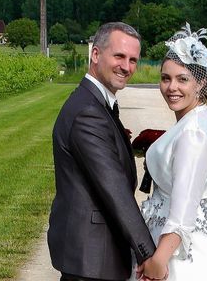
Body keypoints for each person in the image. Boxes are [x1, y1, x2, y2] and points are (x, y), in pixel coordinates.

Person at [133, 24, 207, 281]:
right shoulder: (203, 120)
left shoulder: (193, 134)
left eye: (182, 79)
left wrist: (159, 260)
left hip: (176, 253)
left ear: (200, 82)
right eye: (166, 78)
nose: (171, 87)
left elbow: (182, 213)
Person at [48, 22, 156, 281]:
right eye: (119, 56)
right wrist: (149, 255)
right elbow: (115, 190)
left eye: (133, 60)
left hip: (94, 258)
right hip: (92, 260)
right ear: (95, 55)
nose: (126, 67)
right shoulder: (88, 112)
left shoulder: (96, 103)